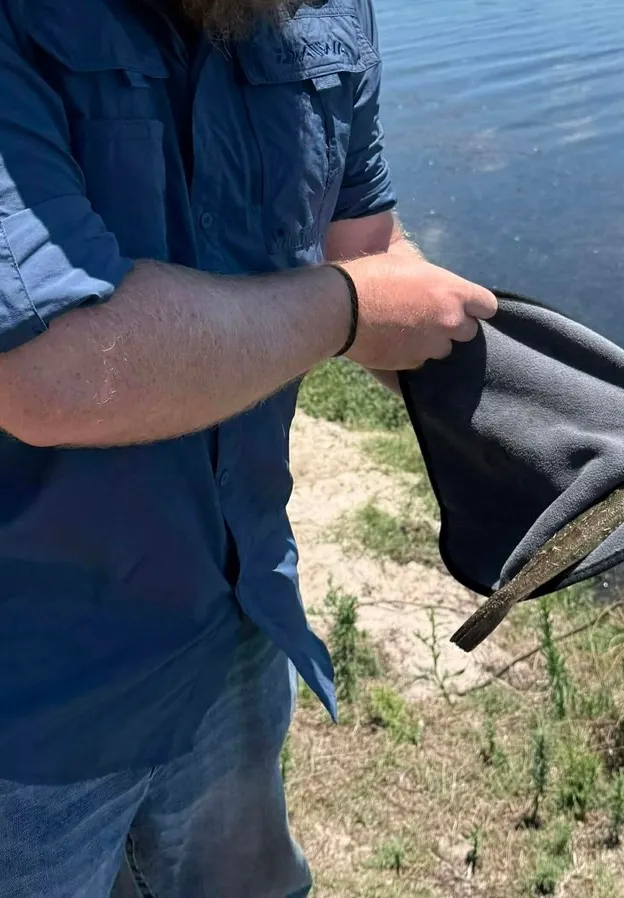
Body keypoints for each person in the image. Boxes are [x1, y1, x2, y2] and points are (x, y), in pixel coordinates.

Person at [0, 0, 497, 895]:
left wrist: (576, 422)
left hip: (235, 623)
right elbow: (51, 367)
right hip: (28, 698)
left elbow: (370, 253)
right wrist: (346, 312)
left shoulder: (326, 11)